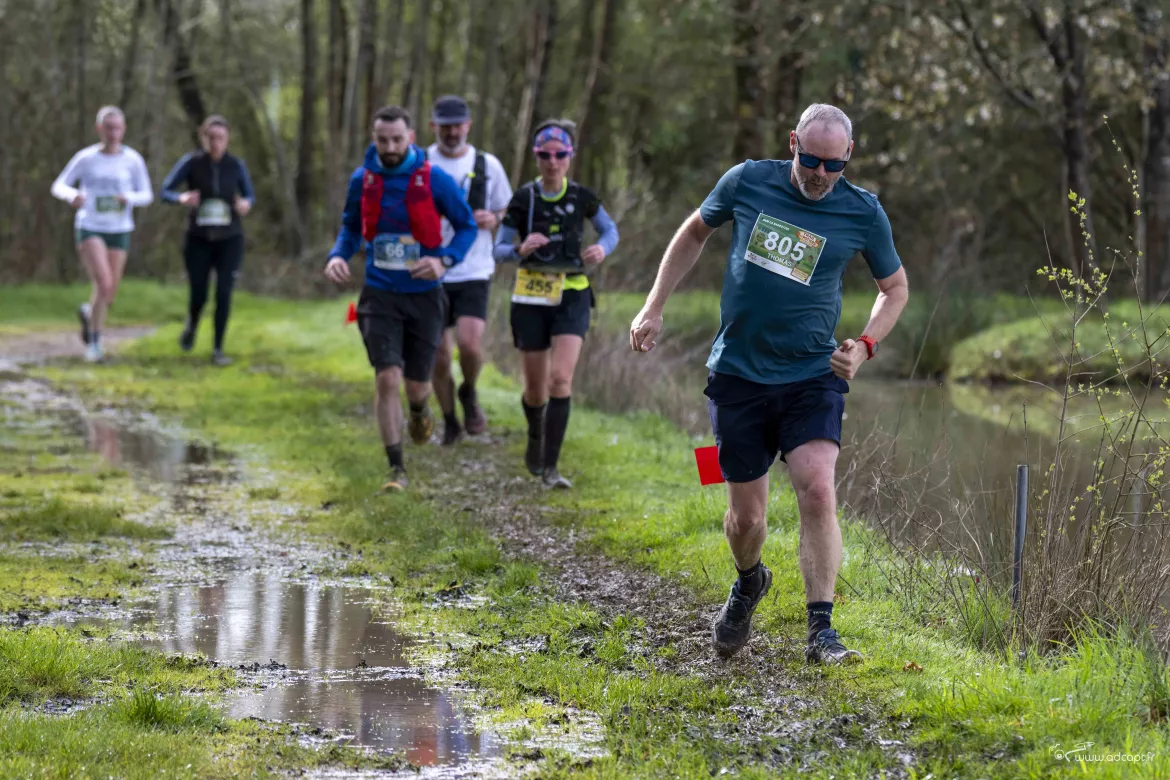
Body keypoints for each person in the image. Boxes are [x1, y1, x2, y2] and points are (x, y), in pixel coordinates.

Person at [629, 104, 909, 665]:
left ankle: (822, 632)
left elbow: (894, 288)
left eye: (834, 165)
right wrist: (654, 305)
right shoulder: (748, 181)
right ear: (792, 144)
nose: (821, 174)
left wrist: (865, 344)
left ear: (849, 156)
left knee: (818, 490)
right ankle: (750, 579)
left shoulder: (862, 211)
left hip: (813, 374)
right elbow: (694, 232)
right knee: (747, 519)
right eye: (812, 160)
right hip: (738, 372)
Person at [324, 105, 477, 491]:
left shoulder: (434, 179)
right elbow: (350, 227)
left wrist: (444, 260)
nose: (390, 147)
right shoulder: (363, 179)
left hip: (424, 296)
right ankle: (396, 469)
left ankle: (420, 408)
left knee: (415, 386)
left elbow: (466, 226)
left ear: (410, 137)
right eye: (383, 140)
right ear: (373, 139)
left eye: (397, 139)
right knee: (386, 377)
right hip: (379, 295)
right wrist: (338, 256)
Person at [493, 119, 619, 489]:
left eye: (560, 154)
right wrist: (519, 249)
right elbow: (497, 249)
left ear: (570, 156)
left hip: (572, 293)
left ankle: (551, 468)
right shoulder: (524, 199)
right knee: (535, 390)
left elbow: (610, 230)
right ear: (536, 157)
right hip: (531, 296)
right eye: (545, 155)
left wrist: (602, 249)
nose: (552, 162)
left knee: (560, 379)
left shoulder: (581, 196)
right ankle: (536, 434)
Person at [425, 96, 513, 445]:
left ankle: (469, 390)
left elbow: (507, 209)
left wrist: (494, 217)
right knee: (438, 356)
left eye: (457, 125)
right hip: (431, 270)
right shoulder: (420, 163)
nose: (452, 132)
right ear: (434, 126)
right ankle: (450, 421)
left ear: (468, 125)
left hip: (474, 268)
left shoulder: (487, 164)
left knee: (470, 345)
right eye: (445, 126)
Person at [51, 106, 153, 363]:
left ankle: (89, 313)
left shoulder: (133, 160)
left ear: (124, 129)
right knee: (103, 283)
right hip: (90, 226)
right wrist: (73, 195)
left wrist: (129, 198)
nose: (113, 133)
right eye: (108, 128)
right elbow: (59, 185)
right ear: (99, 129)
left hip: (120, 229)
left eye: (117, 128)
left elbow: (146, 194)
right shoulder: (86, 158)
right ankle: (95, 345)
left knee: (109, 292)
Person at [160, 115, 255, 367]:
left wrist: (245, 204)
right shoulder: (191, 163)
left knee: (224, 291)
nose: (215, 143)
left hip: (230, 238)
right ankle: (192, 324)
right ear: (203, 138)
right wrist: (181, 198)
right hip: (198, 238)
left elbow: (249, 195)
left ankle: (218, 349)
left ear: (228, 139)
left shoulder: (236, 165)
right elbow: (165, 191)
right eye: (211, 138)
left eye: (220, 138)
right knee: (199, 293)